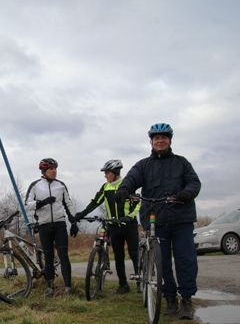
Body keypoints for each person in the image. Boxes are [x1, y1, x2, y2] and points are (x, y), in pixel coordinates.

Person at [114, 123, 201, 320]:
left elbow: (194, 182)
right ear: (151, 142)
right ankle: (170, 298)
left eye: (163, 137)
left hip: (181, 218)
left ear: (170, 140)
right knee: (162, 263)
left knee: (186, 260)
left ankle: (186, 299)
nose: (160, 141)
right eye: (156, 138)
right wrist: (124, 190)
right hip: (156, 219)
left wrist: (187, 193)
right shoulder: (143, 165)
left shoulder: (182, 163)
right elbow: (131, 179)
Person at [74, 159, 141, 294]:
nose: (105, 175)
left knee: (134, 254)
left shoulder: (127, 185)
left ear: (115, 173)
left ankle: (141, 282)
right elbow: (95, 202)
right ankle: (123, 285)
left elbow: (137, 203)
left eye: (107, 173)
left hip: (129, 225)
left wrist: (129, 217)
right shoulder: (106, 188)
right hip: (113, 226)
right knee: (118, 256)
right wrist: (81, 214)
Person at [25, 158, 77, 296]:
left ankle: (68, 288)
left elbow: (68, 204)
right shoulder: (35, 185)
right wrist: (42, 203)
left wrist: (74, 222)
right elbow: (27, 204)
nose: (54, 171)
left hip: (60, 224)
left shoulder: (61, 185)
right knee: (48, 256)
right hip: (44, 225)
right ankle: (50, 288)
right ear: (44, 171)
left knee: (63, 255)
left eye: (55, 169)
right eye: (51, 169)